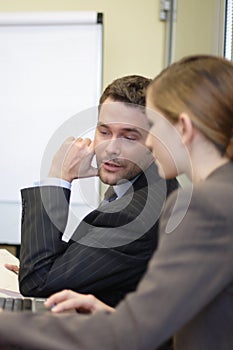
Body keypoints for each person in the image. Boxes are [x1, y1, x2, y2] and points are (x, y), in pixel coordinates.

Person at [0, 54, 232, 350]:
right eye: (104, 131)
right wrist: (111, 315)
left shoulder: (202, 206)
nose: (150, 142)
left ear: (182, 128)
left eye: (150, 131)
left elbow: (130, 332)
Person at [15, 75, 178, 309]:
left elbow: (38, 282)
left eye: (129, 137)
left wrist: (58, 177)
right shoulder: (139, 186)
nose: (111, 148)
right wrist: (40, 265)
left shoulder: (136, 215)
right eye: (104, 132)